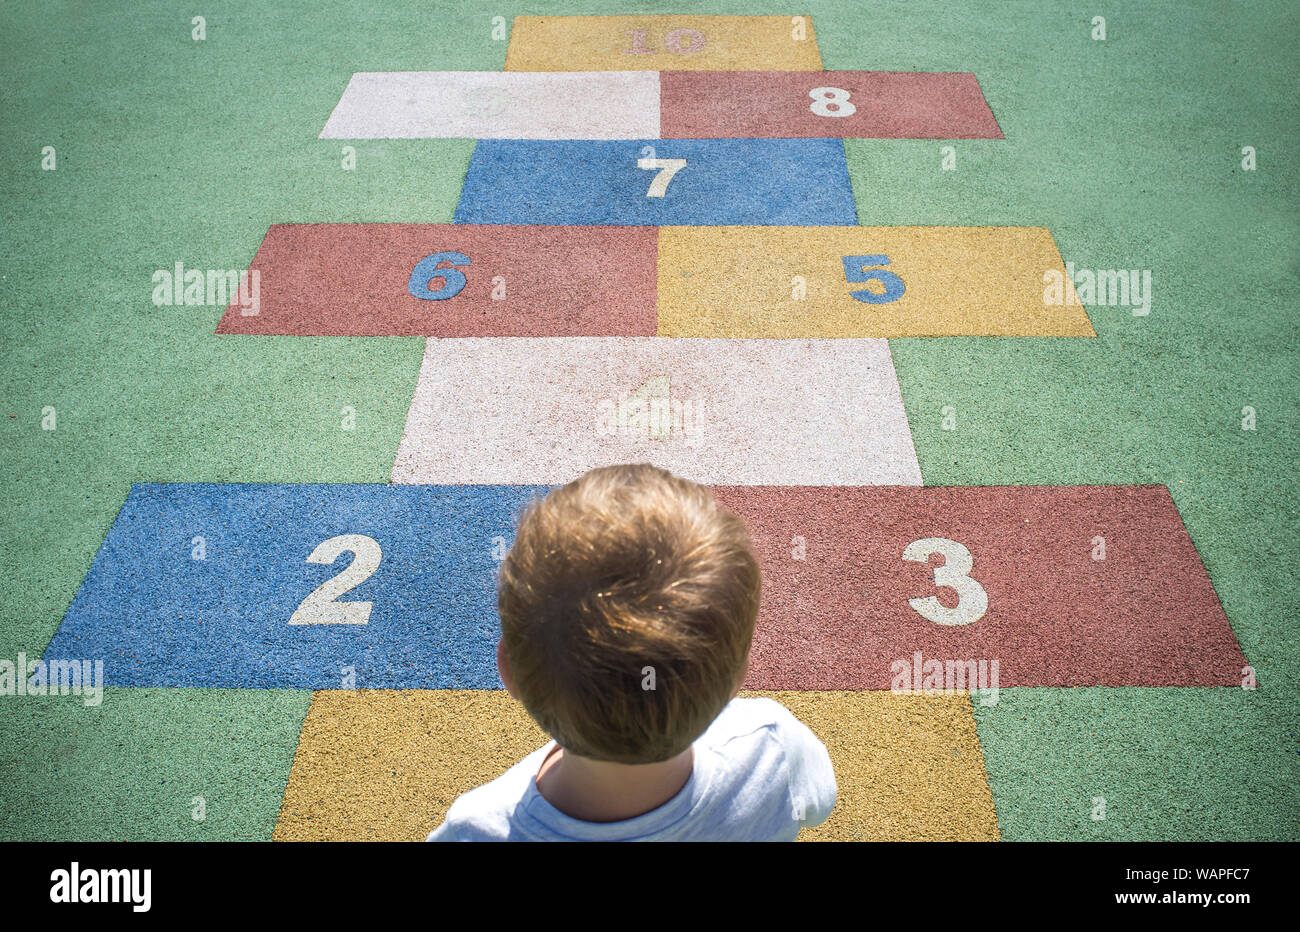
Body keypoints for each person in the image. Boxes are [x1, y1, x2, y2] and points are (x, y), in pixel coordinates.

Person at [428, 463, 836, 841]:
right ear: (738, 674)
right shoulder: (773, 747)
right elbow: (819, 803)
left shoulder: (479, 829)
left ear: (508, 671)